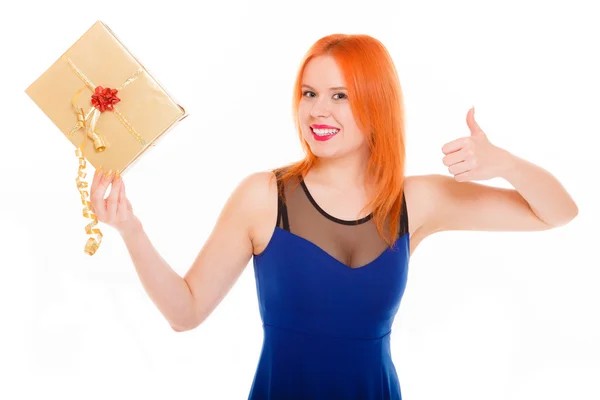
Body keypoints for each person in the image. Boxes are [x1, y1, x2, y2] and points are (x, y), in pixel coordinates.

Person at [89, 34, 579, 400]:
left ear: (376, 103)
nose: (318, 110)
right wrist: (130, 227)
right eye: (309, 93)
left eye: (340, 95)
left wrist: (507, 165)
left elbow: (556, 213)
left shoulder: (416, 201)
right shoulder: (264, 196)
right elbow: (185, 312)